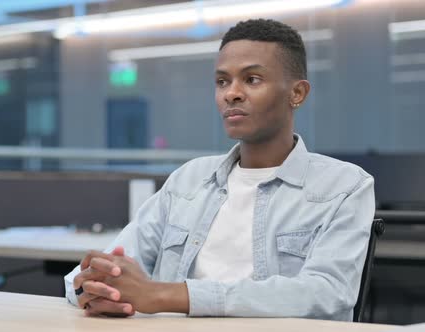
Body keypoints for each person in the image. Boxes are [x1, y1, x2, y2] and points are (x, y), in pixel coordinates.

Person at [64, 18, 375, 321]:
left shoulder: (344, 186)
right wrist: (97, 291)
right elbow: (92, 274)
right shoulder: (189, 180)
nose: (231, 93)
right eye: (222, 81)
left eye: (252, 79)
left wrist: (165, 295)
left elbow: (327, 292)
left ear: (297, 93)